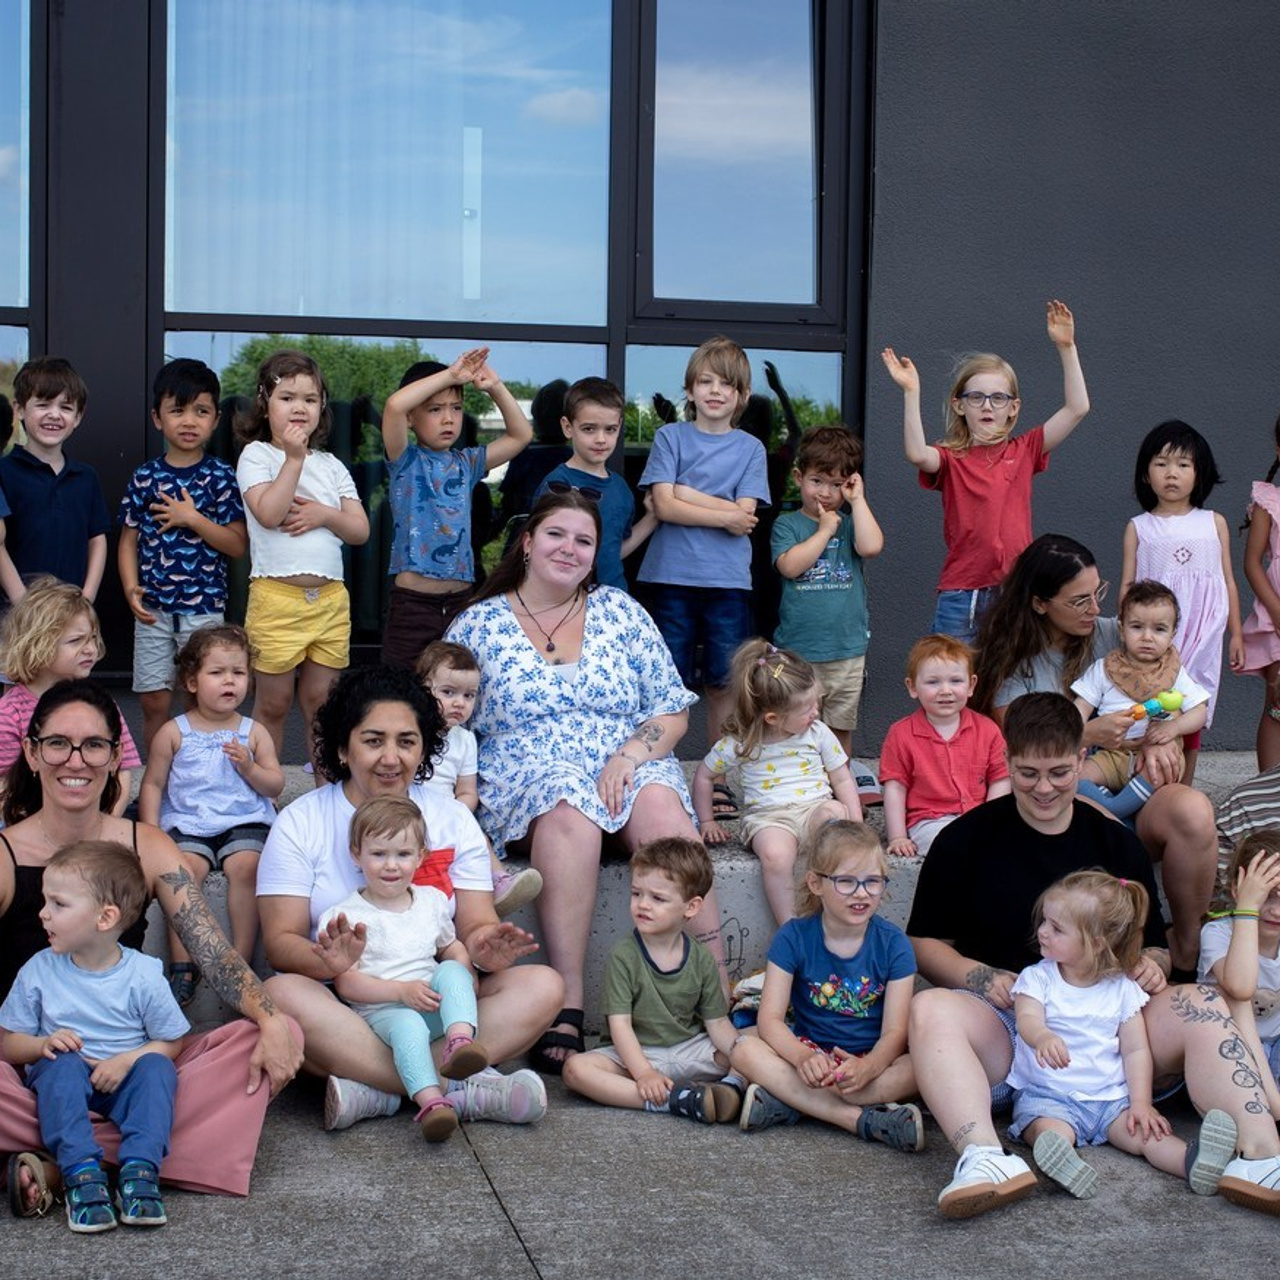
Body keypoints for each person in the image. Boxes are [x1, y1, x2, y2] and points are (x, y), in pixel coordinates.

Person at [905, 692, 1280, 1220]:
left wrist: (1153, 962)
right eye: (1027, 773)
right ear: (1006, 762)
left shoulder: (1113, 842)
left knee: (1203, 1003)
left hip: (1113, 1020)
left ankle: (1263, 1157)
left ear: (1082, 761)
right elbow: (923, 942)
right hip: (1014, 1021)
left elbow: (1151, 940)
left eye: (1059, 772)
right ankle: (985, 1158)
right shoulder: (965, 839)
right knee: (930, 1009)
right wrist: (980, 975)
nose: (1042, 788)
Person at [447, 490, 724, 1073]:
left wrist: (628, 755)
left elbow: (672, 711)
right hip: (528, 770)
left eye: (583, 541)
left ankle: (713, 991)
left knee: (667, 825)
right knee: (569, 805)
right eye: (556, 535)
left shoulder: (621, 612)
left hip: (627, 755)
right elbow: (445, 710)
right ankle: (570, 997)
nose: (568, 549)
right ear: (527, 541)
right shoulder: (480, 623)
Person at [0, 680, 301, 1210]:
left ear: (117, 756)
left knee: (263, 1036)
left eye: (94, 745)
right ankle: (140, 1157)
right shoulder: (5, 854)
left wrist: (272, 1019)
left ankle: (68, 1159)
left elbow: (212, 951)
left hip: (133, 1072)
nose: (77, 760)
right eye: (58, 744)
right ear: (31, 751)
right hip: (32, 1073)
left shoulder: (147, 845)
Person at [256, 664, 559, 1128]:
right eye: (373, 740)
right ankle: (457, 1092)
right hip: (352, 1010)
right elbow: (280, 943)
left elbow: (473, 925)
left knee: (543, 986)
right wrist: (330, 963)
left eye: (407, 741)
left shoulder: (452, 818)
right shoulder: (301, 822)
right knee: (281, 993)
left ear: (426, 747)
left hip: (432, 1000)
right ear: (342, 746)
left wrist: (483, 947)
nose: (391, 758)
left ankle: (379, 1090)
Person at [972, 533, 1217, 976]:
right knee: (1093, 813)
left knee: (1194, 812)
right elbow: (1023, 746)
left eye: (1098, 593)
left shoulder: (1119, 634)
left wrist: (1164, 738)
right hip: (1061, 801)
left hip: (1136, 784)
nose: (1094, 609)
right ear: (1041, 603)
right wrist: (1087, 732)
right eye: (1080, 600)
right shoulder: (1014, 665)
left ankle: (1185, 947)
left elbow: (1179, 698)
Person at [1009, 870, 1237, 1200]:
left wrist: (1141, 1104)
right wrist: (1042, 1037)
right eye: (1044, 921)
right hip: (1049, 1094)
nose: (1043, 932)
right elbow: (1026, 1019)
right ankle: (1063, 1162)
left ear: (1098, 942)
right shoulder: (1038, 978)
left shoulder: (1122, 989)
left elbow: (1135, 1051)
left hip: (1110, 1100)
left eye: (1056, 928)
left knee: (1145, 1135)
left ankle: (1193, 1162)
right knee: (1048, 1129)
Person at [0, 841, 189, 1232]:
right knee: (63, 1064)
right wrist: (41, 1045)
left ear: (105, 918)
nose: (43, 913)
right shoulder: (39, 970)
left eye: (58, 904)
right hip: (59, 1087)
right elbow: (8, 1044)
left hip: (122, 1083)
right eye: (45, 901)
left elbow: (172, 1042)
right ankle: (80, 1172)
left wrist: (126, 1062)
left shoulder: (144, 975)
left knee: (156, 1068)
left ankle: (140, 1169)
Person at [880, 301, 1089, 643]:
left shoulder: (1024, 451)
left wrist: (1067, 348)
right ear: (959, 405)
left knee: (1008, 685)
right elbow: (917, 453)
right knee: (953, 680)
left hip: (1015, 591)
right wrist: (911, 392)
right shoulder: (952, 458)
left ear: (1013, 408)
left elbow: (1077, 408)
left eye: (998, 398)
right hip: (962, 594)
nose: (988, 405)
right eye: (976, 397)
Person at [729, 821, 922, 1149]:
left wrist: (869, 1066)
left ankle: (794, 1102)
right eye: (846, 881)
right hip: (810, 1054)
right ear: (815, 883)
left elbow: (895, 1032)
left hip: (869, 1063)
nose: (861, 893)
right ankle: (861, 1119)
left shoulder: (894, 944)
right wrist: (803, 1058)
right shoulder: (793, 937)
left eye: (872, 881)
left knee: (922, 1066)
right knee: (743, 1049)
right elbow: (771, 1020)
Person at [319, 798, 490, 1143]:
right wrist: (400, 992)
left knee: (454, 970)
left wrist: (464, 970)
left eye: (402, 854)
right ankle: (432, 1104)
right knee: (408, 1024)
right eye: (378, 854)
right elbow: (347, 983)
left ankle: (460, 1043)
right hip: (385, 1012)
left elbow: (449, 946)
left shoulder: (431, 901)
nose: (391, 866)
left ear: (421, 855)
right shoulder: (345, 915)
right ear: (356, 854)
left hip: (432, 1003)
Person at [234, 349, 370, 767]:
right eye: (287, 397)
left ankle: (326, 796)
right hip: (277, 598)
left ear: (322, 408)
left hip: (329, 601)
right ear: (265, 403)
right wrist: (293, 459)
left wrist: (324, 514)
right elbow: (270, 512)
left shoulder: (331, 465)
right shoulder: (257, 456)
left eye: (310, 399)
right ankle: (264, 799)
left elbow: (360, 530)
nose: (299, 407)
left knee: (322, 707)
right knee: (273, 705)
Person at [138, 625, 283, 1007]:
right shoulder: (174, 732)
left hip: (243, 821)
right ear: (191, 681)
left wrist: (250, 769)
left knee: (246, 867)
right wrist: (151, 833)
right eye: (217, 673)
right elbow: (152, 784)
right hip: (189, 824)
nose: (229, 681)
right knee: (184, 873)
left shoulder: (254, 733)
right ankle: (184, 964)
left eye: (238, 673)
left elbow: (275, 785)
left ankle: (238, 957)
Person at [637, 335, 770, 749]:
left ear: (742, 395)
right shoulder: (670, 438)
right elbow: (664, 506)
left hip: (727, 581)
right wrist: (723, 511)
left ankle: (716, 779)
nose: (715, 391)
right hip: (670, 576)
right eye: (706, 382)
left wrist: (685, 493)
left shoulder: (751, 448)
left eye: (726, 384)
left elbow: (743, 518)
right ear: (690, 389)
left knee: (724, 684)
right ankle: (657, 772)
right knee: (666, 684)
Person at [117, 358, 248, 750]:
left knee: (202, 698)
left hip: (204, 609)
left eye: (201, 411)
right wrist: (129, 588)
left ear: (215, 419)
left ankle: (200, 769)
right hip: (154, 609)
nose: (189, 421)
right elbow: (127, 540)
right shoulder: (145, 477)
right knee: (154, 699)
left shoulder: (221, 476)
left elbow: (237, 544)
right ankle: (157, 772)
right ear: (158, 418)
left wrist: (192, 518)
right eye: (177, 410)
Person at [562, 837, 740, 1123]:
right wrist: (643, 1072)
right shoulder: (624, 956)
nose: (642, 905)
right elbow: (620, 1025)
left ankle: (732, 1089)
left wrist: (741, 1053)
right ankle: (676, 1101)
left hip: (690, 1049)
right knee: (575, 1069)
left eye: (657, 898)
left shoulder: (701, 957)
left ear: (691, 907)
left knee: (753, 1044)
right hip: (636, 1054)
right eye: (636, 894)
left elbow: (717, 1023)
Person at [379, 348, 532, 670]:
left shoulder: (467, 463)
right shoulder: (404, 459)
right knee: (402, 692)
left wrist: (494, 386)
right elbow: (394, 405)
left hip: (462, 602)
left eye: (456, 408)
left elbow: (521, 435)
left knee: (457, 694)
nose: (448, 418)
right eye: (435, 409)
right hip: (413, 606)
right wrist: (451, 375)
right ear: (411, 418)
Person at [692, 639, 861, 926]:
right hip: (770, 819)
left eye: (815, 703)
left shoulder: (817, 733)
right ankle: (789, 926)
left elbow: (842, 776)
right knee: (775, 854)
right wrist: (706, 821)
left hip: (813, 810)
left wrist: (855, 823)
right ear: (773, 718)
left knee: (833, 815)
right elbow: (704, 775)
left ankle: (832, 908)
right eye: (807, 709)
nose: (816, 713)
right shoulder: (742, 742)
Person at [1121, 420, 1243, 782]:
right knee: (1155, 707)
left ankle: (1184, 787)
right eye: (1161, 464)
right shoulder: (1139, 527)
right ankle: (1150, 787)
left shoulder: (1213, 522)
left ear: (1199, 473)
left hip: (1204, 634)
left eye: (1183, 465)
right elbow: (1128, 585)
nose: (1171, 474)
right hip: (1157, 637)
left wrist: (1235, 633)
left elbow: (1228, 581)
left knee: (1193, 709)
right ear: (1146, 474)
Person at [772, 424, 884, 756]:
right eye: (816, 481)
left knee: (838, 729)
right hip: (800, 651)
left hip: (846, 651)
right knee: (793, 725)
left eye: (837, 484)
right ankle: (798, 787)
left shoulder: (851, 523)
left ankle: (839, 789)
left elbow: (872, 547)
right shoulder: (787, 523)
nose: (824, 492)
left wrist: (857, 502)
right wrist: (823, 531)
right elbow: (790, 566)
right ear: (798, 477)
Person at [414, 640, 542, 916]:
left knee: (473, 832)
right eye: (448, 692)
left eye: (469, 696)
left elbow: (467, 789)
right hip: (409, 808)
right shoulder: (411, 730)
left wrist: (458, 811)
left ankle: (498, 880)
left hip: (447, 810)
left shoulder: (465, 740)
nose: (459, 703)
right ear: (423, 689)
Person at [0, 578, 142, 813]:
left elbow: (122, 772)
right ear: (36, 644)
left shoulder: (101, 705)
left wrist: (106, 824)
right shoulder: (9, 712)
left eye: (92, 639)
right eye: (76, 641)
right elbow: (4, 788)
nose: (91, 649)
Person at [1071, 580, 1209, 819]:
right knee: (1074, 777)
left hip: (1158, 755)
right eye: (1137, 627)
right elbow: (1078, 709)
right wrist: (1078, 731)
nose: (1147, 637)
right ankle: (1117, 811)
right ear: (1121, 629)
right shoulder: (1104, 669)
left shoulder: (1174, 673)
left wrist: (1174, 727)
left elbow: (1200, 712)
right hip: (1112, 754)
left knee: (1160, 772)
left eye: (1159, 629)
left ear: (1173, 634)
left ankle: (1113, 811)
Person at [880, 634, 1009, 859]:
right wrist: (898, 836)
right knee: (951, 843)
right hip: (930, 822)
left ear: (971, 685)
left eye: (956, 681)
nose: (946, 690)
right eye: (933, 682)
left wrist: (991, 821)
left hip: (980, 818)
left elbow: (1000, 779)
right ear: (912, 687)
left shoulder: (987, 730)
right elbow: (895, 788)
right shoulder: (901, 734)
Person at [0, 356, 110, 604]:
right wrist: (22, 602)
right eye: (43, 404)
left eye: (66, 407)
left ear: (78, 417)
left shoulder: (86, 477)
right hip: (16, 615)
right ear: (19, 410)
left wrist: (87, 598)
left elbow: (97, 539)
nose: (54, 415)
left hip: (72, 611)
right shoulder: (4, 473)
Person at [534, 375, 657, 591]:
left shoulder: (621, 488)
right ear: (567, 427)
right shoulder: (557, 485)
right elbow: (542, 551)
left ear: (619, 427)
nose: (601, 439)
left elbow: (613, 550)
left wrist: (652, 518)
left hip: (611, 600)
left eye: (609, 429)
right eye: (589, 429)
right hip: (565, 598)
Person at [1197, 831, 1280, 1115]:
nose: (1276, 910)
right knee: (1236, 999)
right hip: (1228, 1052)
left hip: (1274, 1050)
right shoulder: (1218, 933)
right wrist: (1248, 909)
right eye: (1265, 896)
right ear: (1236, 890)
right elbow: (1240, 987)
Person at [1240, 410, 1280, 770]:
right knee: (1278, 705)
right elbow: (1252, 563)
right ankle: (1270, 791)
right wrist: (1277, 612)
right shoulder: (1269, 501)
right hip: (1278, 618)